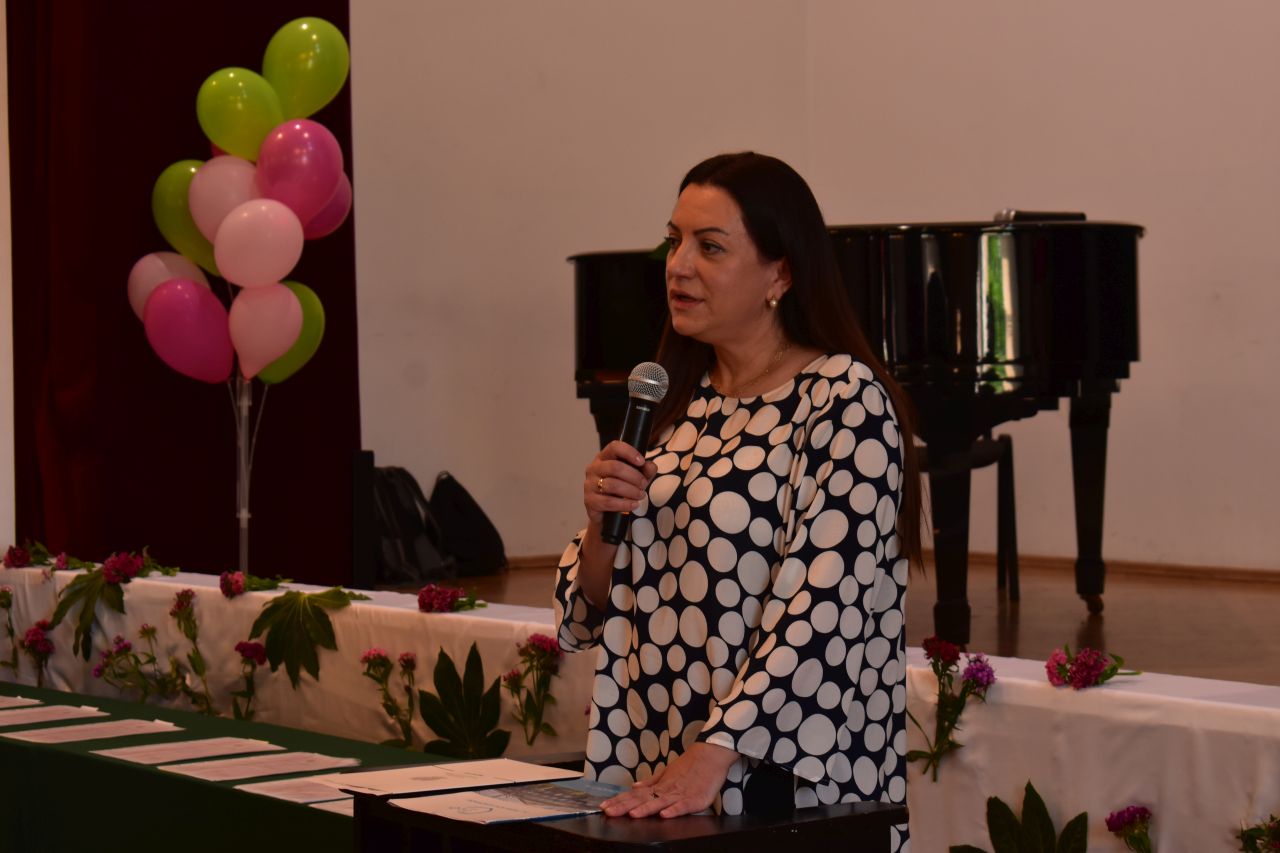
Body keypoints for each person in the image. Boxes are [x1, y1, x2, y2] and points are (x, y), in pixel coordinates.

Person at [553, 152, 921, 847]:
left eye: (711, 246)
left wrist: (716, 753)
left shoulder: (843, 399)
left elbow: (825, 603)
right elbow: (593, 606)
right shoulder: (675, 403)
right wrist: (602, 522)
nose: (678, 265)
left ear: (781, 274)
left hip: (782, 781)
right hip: (656, 763)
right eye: (674, 241)